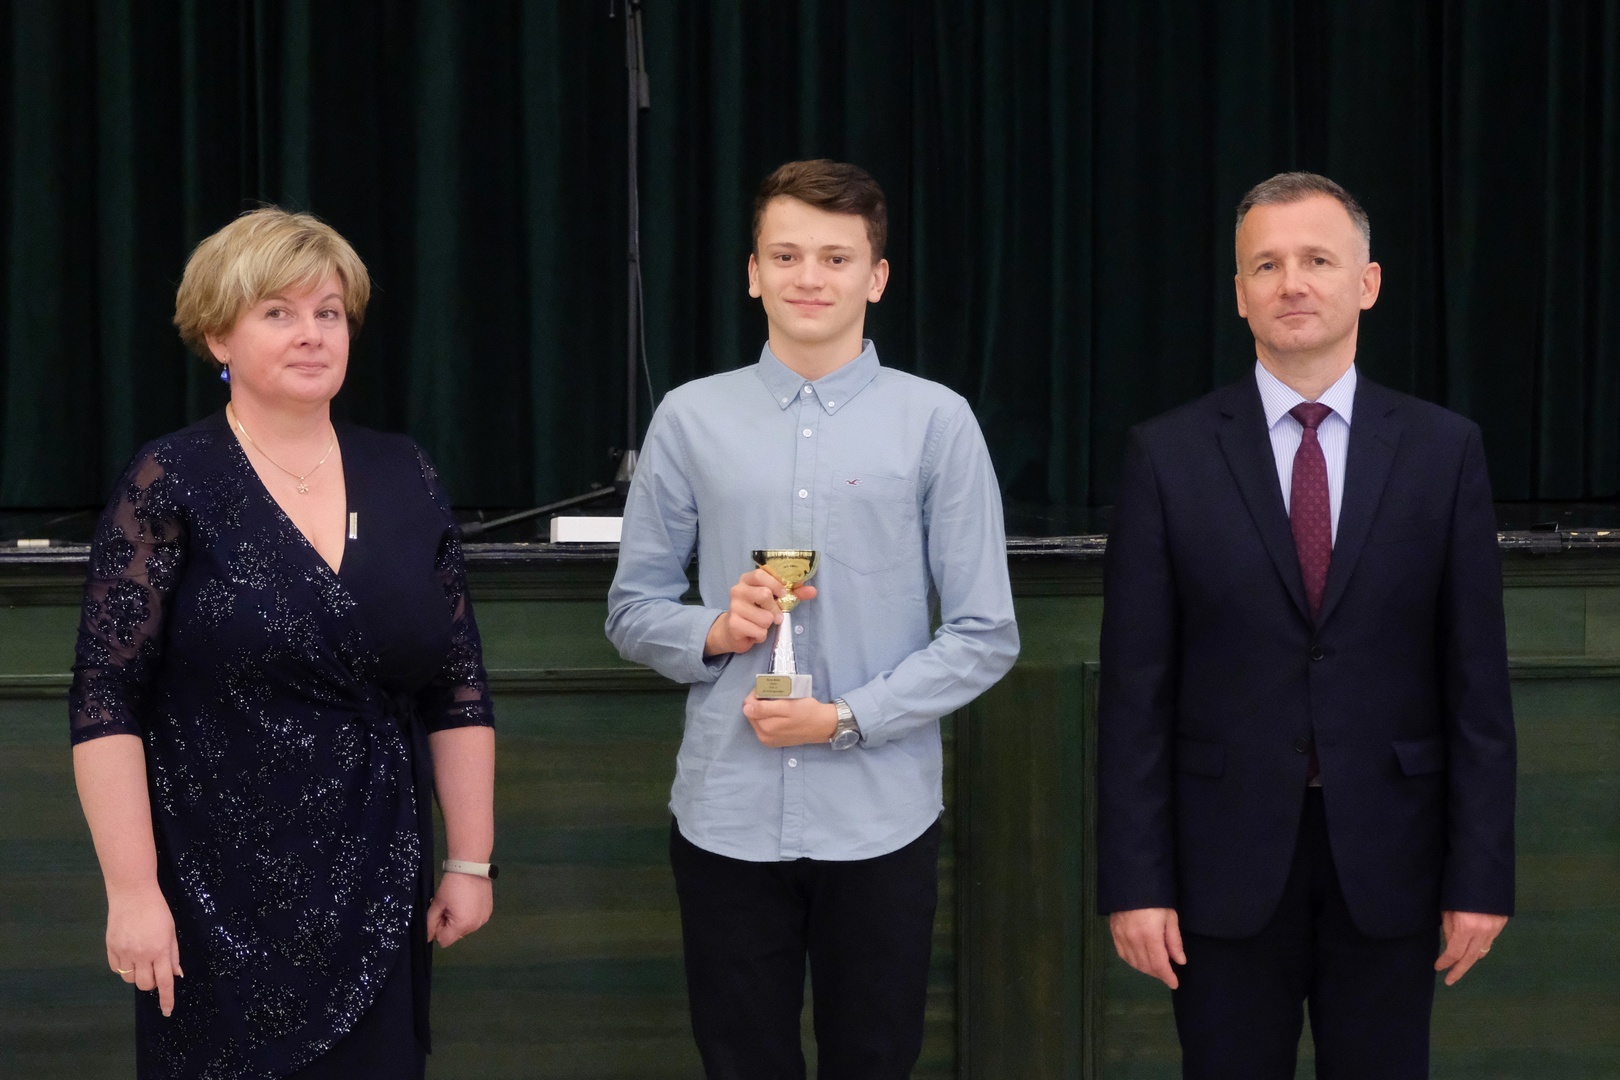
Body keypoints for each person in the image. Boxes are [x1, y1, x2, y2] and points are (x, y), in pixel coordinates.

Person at [606, 159, 1019, 1079]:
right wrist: (716, 631)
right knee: (740, 1061)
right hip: (726, 811)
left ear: (877, 277)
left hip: (879, 817)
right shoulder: (689, 417)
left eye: (837, 258)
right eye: (786, 255)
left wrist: (845, 719)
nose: (810, 277)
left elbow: (985, 633)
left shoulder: (937, 422)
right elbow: (632, 610)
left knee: (873, 1059)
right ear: (753, 272)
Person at [1096, 172, 1516, 1078]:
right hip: (1220, 865)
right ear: (1239, 293)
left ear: (1367, 282)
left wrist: (1481, 876)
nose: (1292, 283)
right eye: (1267, 265)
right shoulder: (1166, 455)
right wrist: (1135, 883)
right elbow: (1135, 694)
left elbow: (1477, 687)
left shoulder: (1445, 451)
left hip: (1394, 861)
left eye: (1317, 260)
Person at [69, 206, 497, 1079]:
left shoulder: (404, 472)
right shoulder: (171, 479)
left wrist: (470, 859)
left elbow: (457, 683)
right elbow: (106, 699)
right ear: (218, 336)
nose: (312, 333)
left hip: (378, 873)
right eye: (279, 312)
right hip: (211, 890)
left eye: (328, 312)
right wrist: (132, 891)